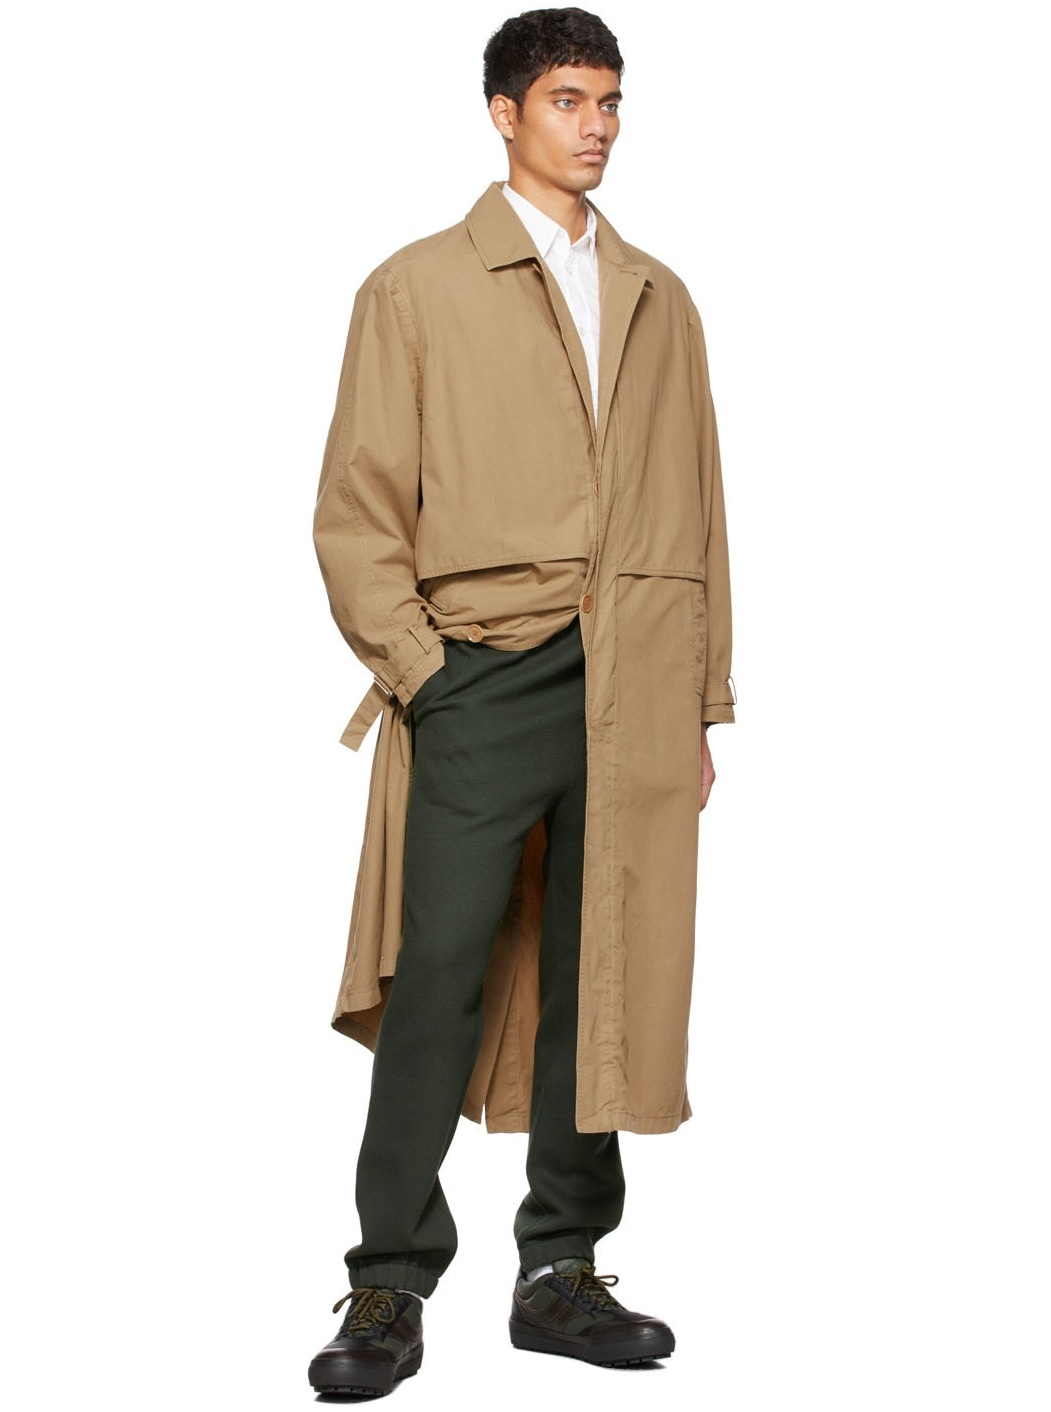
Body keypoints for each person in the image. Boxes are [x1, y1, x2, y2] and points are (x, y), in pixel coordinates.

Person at [308, 6, 735, 1396]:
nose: (596, 126)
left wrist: (698, 700)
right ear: (504, 113)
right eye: (567, 100)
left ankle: (562, 1266)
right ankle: (387, 1278)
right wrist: (428, 673)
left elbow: (701, 509)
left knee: (597, 968)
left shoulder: (660, 296)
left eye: (610, 101)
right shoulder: (416, 288)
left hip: (637, 672)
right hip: (484, 668)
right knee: (437, 967)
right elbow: (357, 511)